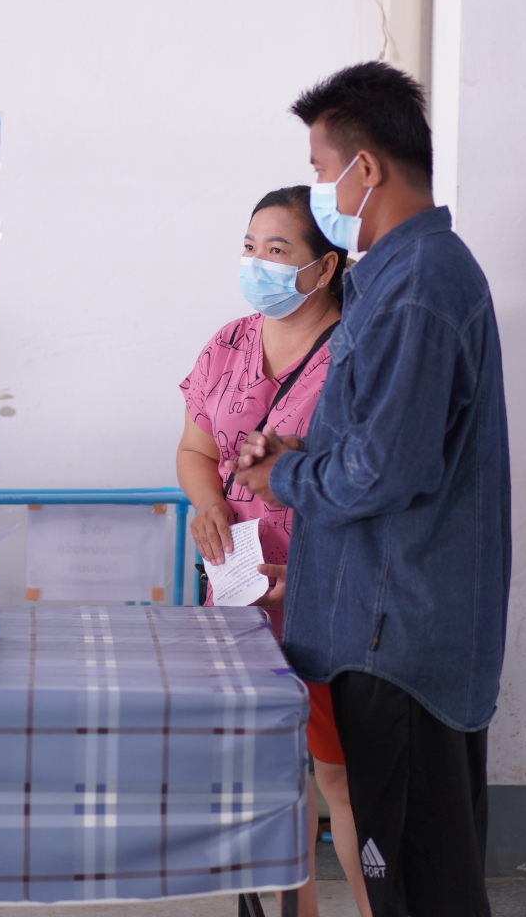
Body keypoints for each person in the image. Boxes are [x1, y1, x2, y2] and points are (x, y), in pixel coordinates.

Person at [234, 63, 510, 917]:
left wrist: (283, 474)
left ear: (366, 169)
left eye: (320, 170)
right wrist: (305, 445)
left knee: (419, 885)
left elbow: (388, 472)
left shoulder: (417, 287)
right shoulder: (396, 276)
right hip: (385, 619)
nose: (319, 188)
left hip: (399, 641)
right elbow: (390, 437)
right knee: (423, 876)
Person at [177, 185, 370, 917]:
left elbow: (375, 479)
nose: (256, 263)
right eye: (250, 247)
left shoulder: (359, 352)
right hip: (237, 594)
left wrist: (319, 569)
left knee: (340, 777)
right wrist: (208, 504)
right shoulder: (228, 344)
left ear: (325, 266)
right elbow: (196, 450)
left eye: (277, 250)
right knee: (266, 779)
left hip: (325, 593)